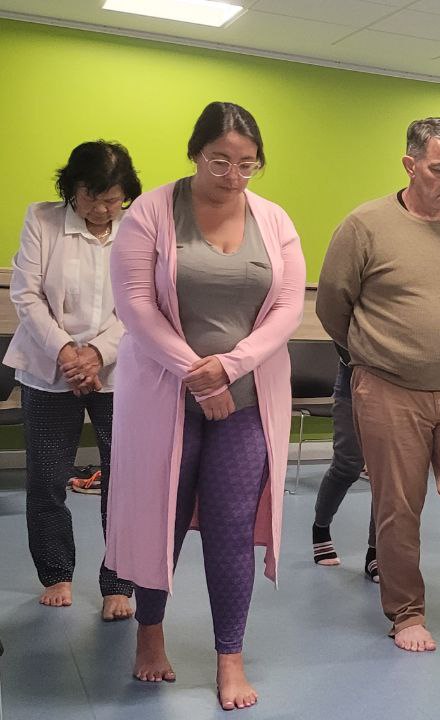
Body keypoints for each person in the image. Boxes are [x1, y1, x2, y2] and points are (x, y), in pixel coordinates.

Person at [106, 102, 304, 711]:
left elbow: (287, 307)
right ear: (195, 153)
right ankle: (150, 633)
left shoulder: (274, 220)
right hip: (164, 393)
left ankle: (230, 656)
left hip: (246, 397)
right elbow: (135, 304)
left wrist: (231, 368)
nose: (233, 174)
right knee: (160, 519)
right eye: (220, 160)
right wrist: (198, 375)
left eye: (248, 164)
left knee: (231, 525)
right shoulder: (151, 212)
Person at [316, 117, 440, 662]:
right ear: (410, 165)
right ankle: (406, 614)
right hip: (388, 389)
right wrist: (380, 354)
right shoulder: (365, 226)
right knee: (399, 507)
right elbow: (333, 306)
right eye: (438, 169)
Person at [5, 140, 141, 620]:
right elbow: (26, 294)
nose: (102, 209)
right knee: (46, 478)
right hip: (49, 368)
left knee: (123, 480)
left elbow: (141, 303)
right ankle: (56, 574)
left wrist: (97, 355)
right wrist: (67, 353)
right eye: (91, 197)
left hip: (117, 371)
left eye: (112, 199)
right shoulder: (42, 220)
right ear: (72, 188)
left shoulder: (138, 230)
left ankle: (118, 582)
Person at [310, 347, 378, 581]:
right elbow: (339, 333)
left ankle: (376, 550)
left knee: (386, 473)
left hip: (398, 391)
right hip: (353, 383)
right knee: (347, 466)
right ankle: (320, 526)